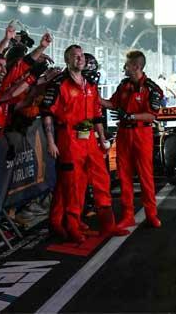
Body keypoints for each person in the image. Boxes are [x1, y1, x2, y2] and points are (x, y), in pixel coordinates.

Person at [41, 44, 120, 241]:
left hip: (90, 141)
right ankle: (72, 225)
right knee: (73, 185)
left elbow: (96, 114)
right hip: (68, 140)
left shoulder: (90, 85)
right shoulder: (59, 84)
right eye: (75, 56)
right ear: (67, 60)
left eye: (81, 56)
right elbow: (47, 113)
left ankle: (107, 224)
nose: (79, 59)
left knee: (102, 179)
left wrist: (102, 139)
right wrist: (51, 142)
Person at [106, 50, 163, 229]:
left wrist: (130, 116)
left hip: (141, 134)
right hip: (123, 134)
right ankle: (128, 215)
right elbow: (112, 103)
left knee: (146, 177)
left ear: (137, 66)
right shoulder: (123, 85)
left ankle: (151, 215)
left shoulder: (152, 88)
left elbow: (152, 116)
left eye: (127, 64)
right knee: (124, 177)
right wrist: (92, 95)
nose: (124, 67)